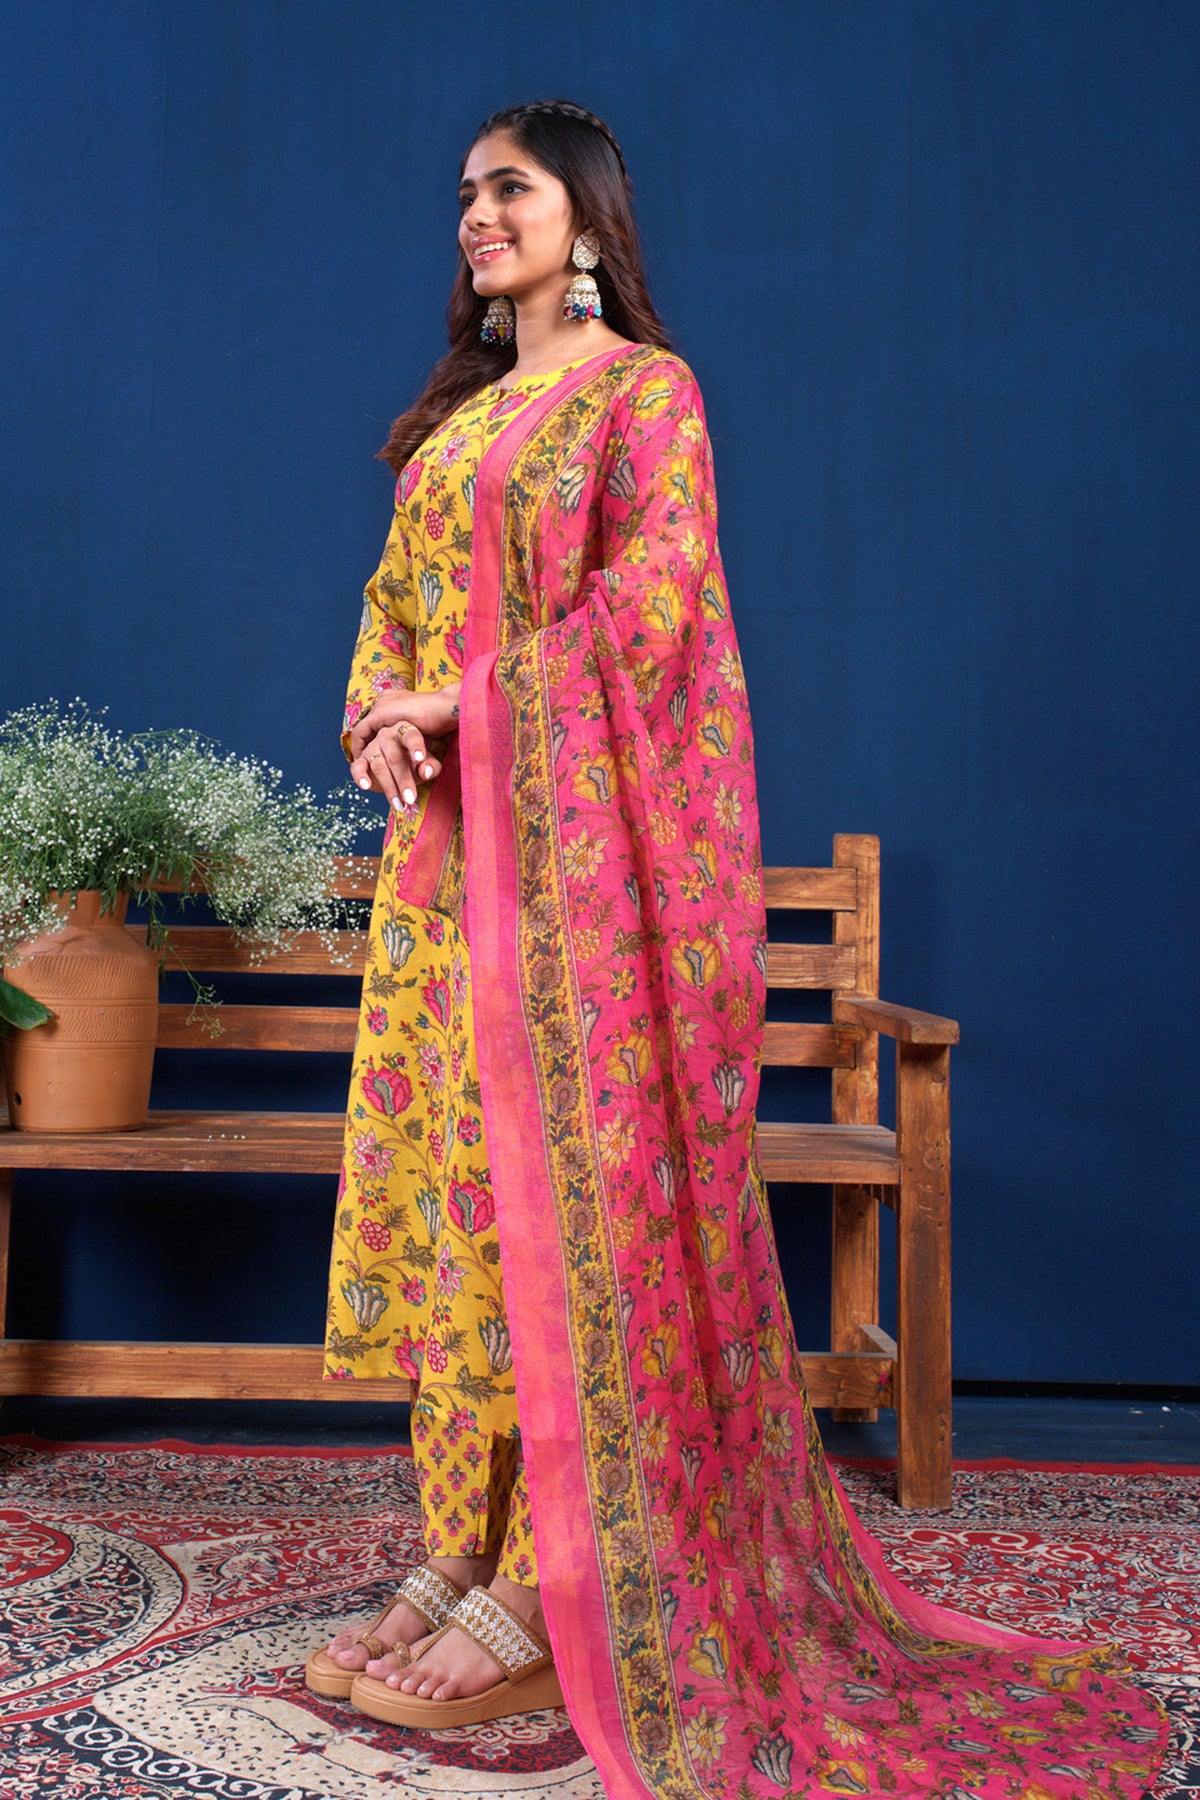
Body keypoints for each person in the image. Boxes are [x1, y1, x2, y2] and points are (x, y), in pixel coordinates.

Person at [305, 99, 1167, 1798]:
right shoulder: (454, 426)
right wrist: (382, 720)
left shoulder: (645, 398)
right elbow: (387, 623)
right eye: (464, 195)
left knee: (572, 1218)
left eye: (508, 188)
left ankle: (556, 1586)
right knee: (463, 1207)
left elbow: (658, 608)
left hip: (582, 902)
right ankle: (458, 1552)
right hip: (447, 896)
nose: (476, 215)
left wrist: (464, 704)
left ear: (586, 217)